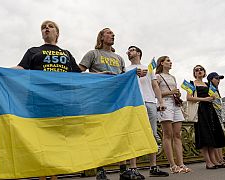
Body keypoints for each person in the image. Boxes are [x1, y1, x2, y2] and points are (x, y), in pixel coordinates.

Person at [15, 20, 81, 180]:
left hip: (62, 102)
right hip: (38, 101)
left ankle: (54, 176)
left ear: (57, 33)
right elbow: (20, 68)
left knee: (58, 140)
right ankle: (43, 177)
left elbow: (79, 75)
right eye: (44, 27)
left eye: (50, 26)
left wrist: (104, 75)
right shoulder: (33, 51)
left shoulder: (66, 53)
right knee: (41, 140)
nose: (46, 29)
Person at [79, 28, 125, 180]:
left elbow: (124, 78)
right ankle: (100, 170)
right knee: (100, 134)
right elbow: (78, 72)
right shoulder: (93, 54)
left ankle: (124, 170)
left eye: (113, 33)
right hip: (98, 99)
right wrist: (99, 75)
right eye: (108, 32)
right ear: (101, 37)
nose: (112, 34)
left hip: (117, 100)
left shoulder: (119, 58)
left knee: (121, 133)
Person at [125, 46, 169, 179]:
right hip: (134, 103)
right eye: (128, 51)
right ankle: (133, 168)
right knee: (133, 134)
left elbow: (155, 85)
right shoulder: (125, 69)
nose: (129, 52)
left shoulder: (149, 68)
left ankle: (153, 167)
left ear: (138, 53)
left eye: (132, 50)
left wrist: (161, 102)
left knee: (152, 134)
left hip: (150, 102)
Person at [186, 65, 225, 169]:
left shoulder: (207, 84)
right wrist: (205, 99)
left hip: (210, 110)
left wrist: (212, 97)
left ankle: (214, 160)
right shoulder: (191, 83)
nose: (199, 71)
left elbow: (213, 96)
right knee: (204, 135)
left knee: (212, 135)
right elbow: (189, 98)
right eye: (197, 70)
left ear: (204, 72)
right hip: (200, 110)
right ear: (194, 73)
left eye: (201, 69)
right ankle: (208, 162)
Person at [155, 56, 191, 173]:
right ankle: (172, 165)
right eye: (168, 61)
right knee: (167, 135)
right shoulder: (157, 77)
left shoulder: (173, 77)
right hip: (165, 105)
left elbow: (173, 92)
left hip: (175, 105)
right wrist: (170, 92)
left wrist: (177, 94)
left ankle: (181, 164)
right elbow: (156, 93)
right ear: (162, 63)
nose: (170, 63)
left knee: (177, 135)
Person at [207, 72, 225, 167]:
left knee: (220, 138)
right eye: (216, 78)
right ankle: (219, 160)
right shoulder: (210, 88)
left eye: (219, 79)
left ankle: (221, 159)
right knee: (218, 138)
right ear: (211, 79)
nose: (218, 80)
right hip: (214, 116)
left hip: (219, 115)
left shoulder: (216, 89)